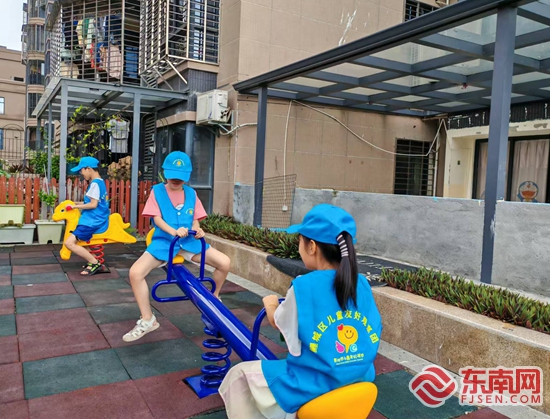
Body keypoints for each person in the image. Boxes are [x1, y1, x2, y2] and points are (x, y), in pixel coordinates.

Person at [219, 204, 382, 419]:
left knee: (238, 376)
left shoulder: (303, 286)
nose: (299, 247)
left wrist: (270, 304)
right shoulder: (361, 284)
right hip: (359, 377)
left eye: (300, 241)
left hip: (315, 382)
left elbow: (280, 323)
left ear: (312, 246)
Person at [123, 151, 231, 342]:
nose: (175, 180)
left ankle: (214, 297)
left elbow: (195, 219)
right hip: (165, 242)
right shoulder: (157, 191)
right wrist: (173, 231)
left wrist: (197, 229)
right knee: (135, 273)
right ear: (165, 172)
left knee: (224, 262)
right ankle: (148, 319)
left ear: (187, 177)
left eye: (180, 177)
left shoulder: (191, 193)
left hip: (189, 242)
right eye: (172, 176)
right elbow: (156, 219)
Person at [64, 156, 110, 276]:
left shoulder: (95, 184)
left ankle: (95, 262)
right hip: (96, 218)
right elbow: (91, 202)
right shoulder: (100, 182)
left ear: (88, 168)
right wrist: (74, 203)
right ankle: (94, 260)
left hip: (92, 221)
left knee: (69, 243)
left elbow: (93, 204)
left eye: (81, 170)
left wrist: (75, 207)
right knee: (80, 242)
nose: (81, 173)